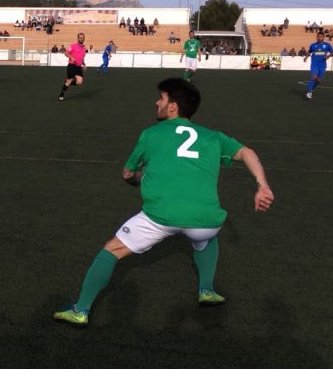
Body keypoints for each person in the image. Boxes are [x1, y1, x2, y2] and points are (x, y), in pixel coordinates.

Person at [53, 78, 274, 328]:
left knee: (111, 250)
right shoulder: (214, 137)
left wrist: (139, 178)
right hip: (207, 220)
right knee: (206, 238)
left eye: (162, 98)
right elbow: (247, 152)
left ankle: (80, 310)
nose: (157, 102)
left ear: (173, 107)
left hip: (159, 218)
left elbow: (128, 174)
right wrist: (262, 186)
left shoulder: (150, 134)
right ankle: (207, 290)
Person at [303, 31, 333, 99]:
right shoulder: (313, 45)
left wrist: (328, 56)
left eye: (321, 36)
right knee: (313, 77)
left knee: (318, 81)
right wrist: (306, 57)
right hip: (314, 63)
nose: (319, 38)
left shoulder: (327, 45)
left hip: (322, 64)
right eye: (318, 36)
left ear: (323, 37)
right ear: (316, 37)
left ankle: (311, 89)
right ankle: (308, 92)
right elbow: (309, 51)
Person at [58, 32, 87, 101]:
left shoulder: (84, 48)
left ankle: (67, 83)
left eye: (82, 38)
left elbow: (82, 58)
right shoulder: (73, 46)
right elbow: (66, 53)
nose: (81, 39)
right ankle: (62, 94)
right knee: (69, 81)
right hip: (72, 66)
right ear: (78, 38)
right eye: (80, 38)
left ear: (84, 39)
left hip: (78, 67)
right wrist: (71, 57)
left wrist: (84, 64)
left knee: (79, 82)